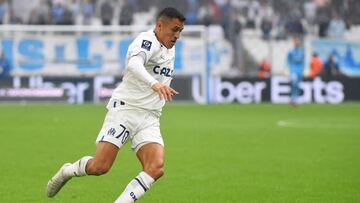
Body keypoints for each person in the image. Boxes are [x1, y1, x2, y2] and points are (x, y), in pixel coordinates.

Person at [46, 7, 185, 203]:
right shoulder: (146, 41)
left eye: (180, 31)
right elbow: (134, 64)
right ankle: (68, 170)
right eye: (174, 29)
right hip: (126, 110)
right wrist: (155, 84)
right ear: (159, 26)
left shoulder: (169, 45)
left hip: (149, 117)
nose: (177, 35)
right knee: (100, 167)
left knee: (156, 167)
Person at [287, 36, 305, 104]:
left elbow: (303, 61)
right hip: (293, 70)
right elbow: (288, 61)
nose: (297, 42)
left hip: (300, 71)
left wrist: (304, 69)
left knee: (297, 85)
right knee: (294, 82)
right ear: (293, 42)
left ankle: (295, 99)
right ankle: (293, 98)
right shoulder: (290, 52)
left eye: (298, 41)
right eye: (295, 41)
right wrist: (288, 69)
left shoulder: (302, 51)